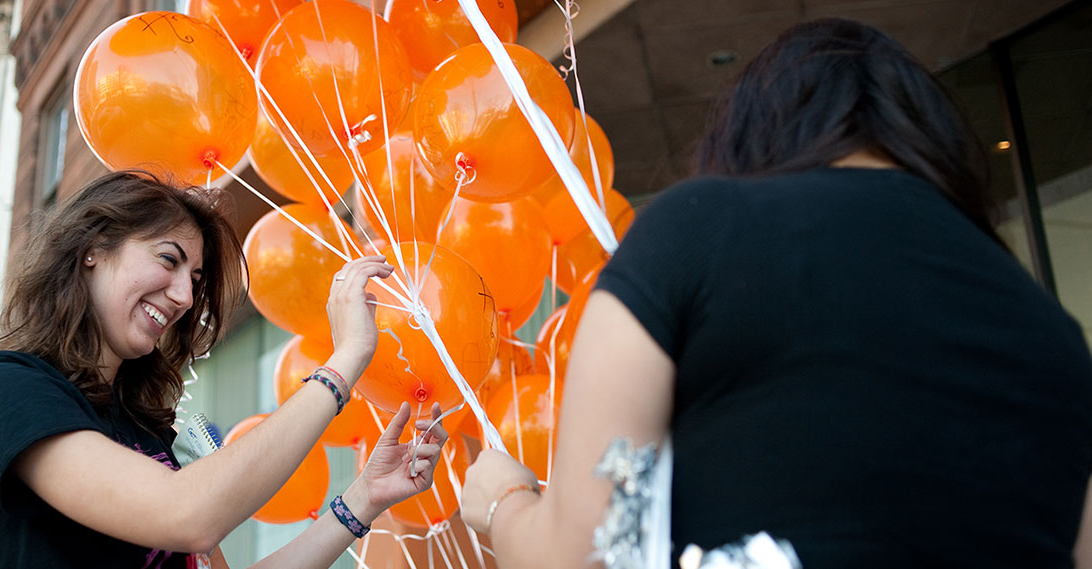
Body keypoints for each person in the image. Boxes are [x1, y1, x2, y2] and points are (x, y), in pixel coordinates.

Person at [461, 17, 1092, 569]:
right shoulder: (1049, 328)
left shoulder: (696, 231)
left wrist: (504, 504)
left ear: (755, 130)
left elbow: (586, 555)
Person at [0, 171, 448, 568]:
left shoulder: (142, 430)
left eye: (193, 279)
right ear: (93, 249)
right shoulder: (8, 389)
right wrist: (345, 361)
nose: (185, 297)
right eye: (168, 259)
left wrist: (363, 499)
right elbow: (187, 514)